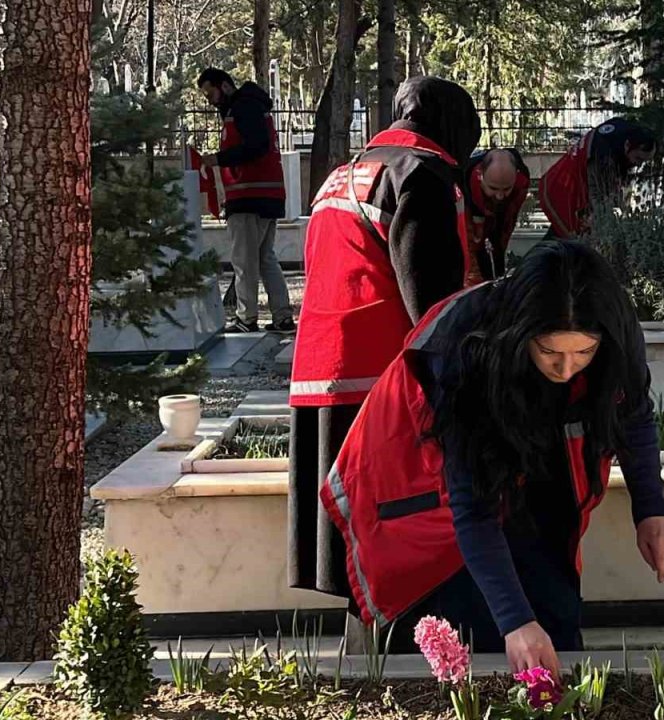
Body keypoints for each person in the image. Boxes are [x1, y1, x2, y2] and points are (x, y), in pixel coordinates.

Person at [321, 241, 664, 676]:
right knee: (472, 635)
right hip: (420, 490)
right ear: (521, 334)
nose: (566, 370)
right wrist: (515, 621)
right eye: (550, 352)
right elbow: (472, 506)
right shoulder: (463, 349)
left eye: (583, 353)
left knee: (553, 609)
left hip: (528, 468)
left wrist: (651, 508)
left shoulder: (615, 328)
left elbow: (632, 412)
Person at [287, 76, 481, 615]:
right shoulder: (422, 175)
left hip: (322, 370)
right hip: (385, 378)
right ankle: (403, 649)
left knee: (352, 528)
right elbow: (434, 304)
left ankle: (366, 645)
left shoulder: (342, 175)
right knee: (396, 524)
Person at [195, 68, 295, 334]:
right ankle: (282, 316)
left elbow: (255, 146)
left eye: (211, 92)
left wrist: (218, 159)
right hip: (266, 194)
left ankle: (246, 318)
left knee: (244, 260)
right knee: (265, 258)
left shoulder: (243, 108)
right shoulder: (252, 107)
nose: (210, 100)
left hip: (248, 196)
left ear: (225, 86)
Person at [538, 117, 657, 239]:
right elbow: (598, 196)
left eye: (644, 161)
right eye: (638, 159)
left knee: (572, 234)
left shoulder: (626, 133)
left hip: (573, 186)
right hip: (561, 188)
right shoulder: (604, 156)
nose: (639, 165)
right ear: (627, 146)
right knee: (571, 238)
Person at [460, 147, 530, 283]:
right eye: (493, 188)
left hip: (498, 222)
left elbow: (507, 226)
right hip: (471, 222)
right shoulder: (464, 184)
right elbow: (469, 245)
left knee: (497, 266)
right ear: (480, 175)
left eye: (506, 189)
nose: (499, 196)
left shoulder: (521, 181)